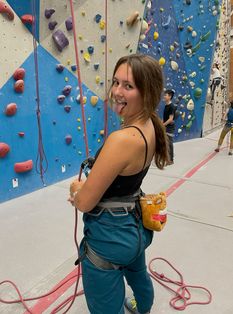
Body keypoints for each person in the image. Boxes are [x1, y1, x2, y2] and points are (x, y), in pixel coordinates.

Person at [68, 54, 169, 314]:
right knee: (137, 273)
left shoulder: (121, 140)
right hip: (135, 230)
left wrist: (76, 190)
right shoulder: (150, 126)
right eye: (115, 82)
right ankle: (142, 306)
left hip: (111, 237)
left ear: (147, 93)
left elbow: (86, 202)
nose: (116, 92)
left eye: (128, 86)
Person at [162, 89, 175, 165]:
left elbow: (170, 119)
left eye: (165, 95)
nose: (164, 96)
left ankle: (170, 160)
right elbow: (164, 118)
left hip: (169, 128)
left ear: (170, 96)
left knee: (169, 143)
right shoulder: (166, 105)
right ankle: (166, 159)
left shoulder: (171, 106)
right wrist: (161, 124)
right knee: (165, 143)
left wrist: (163, 125)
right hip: (165, 126)